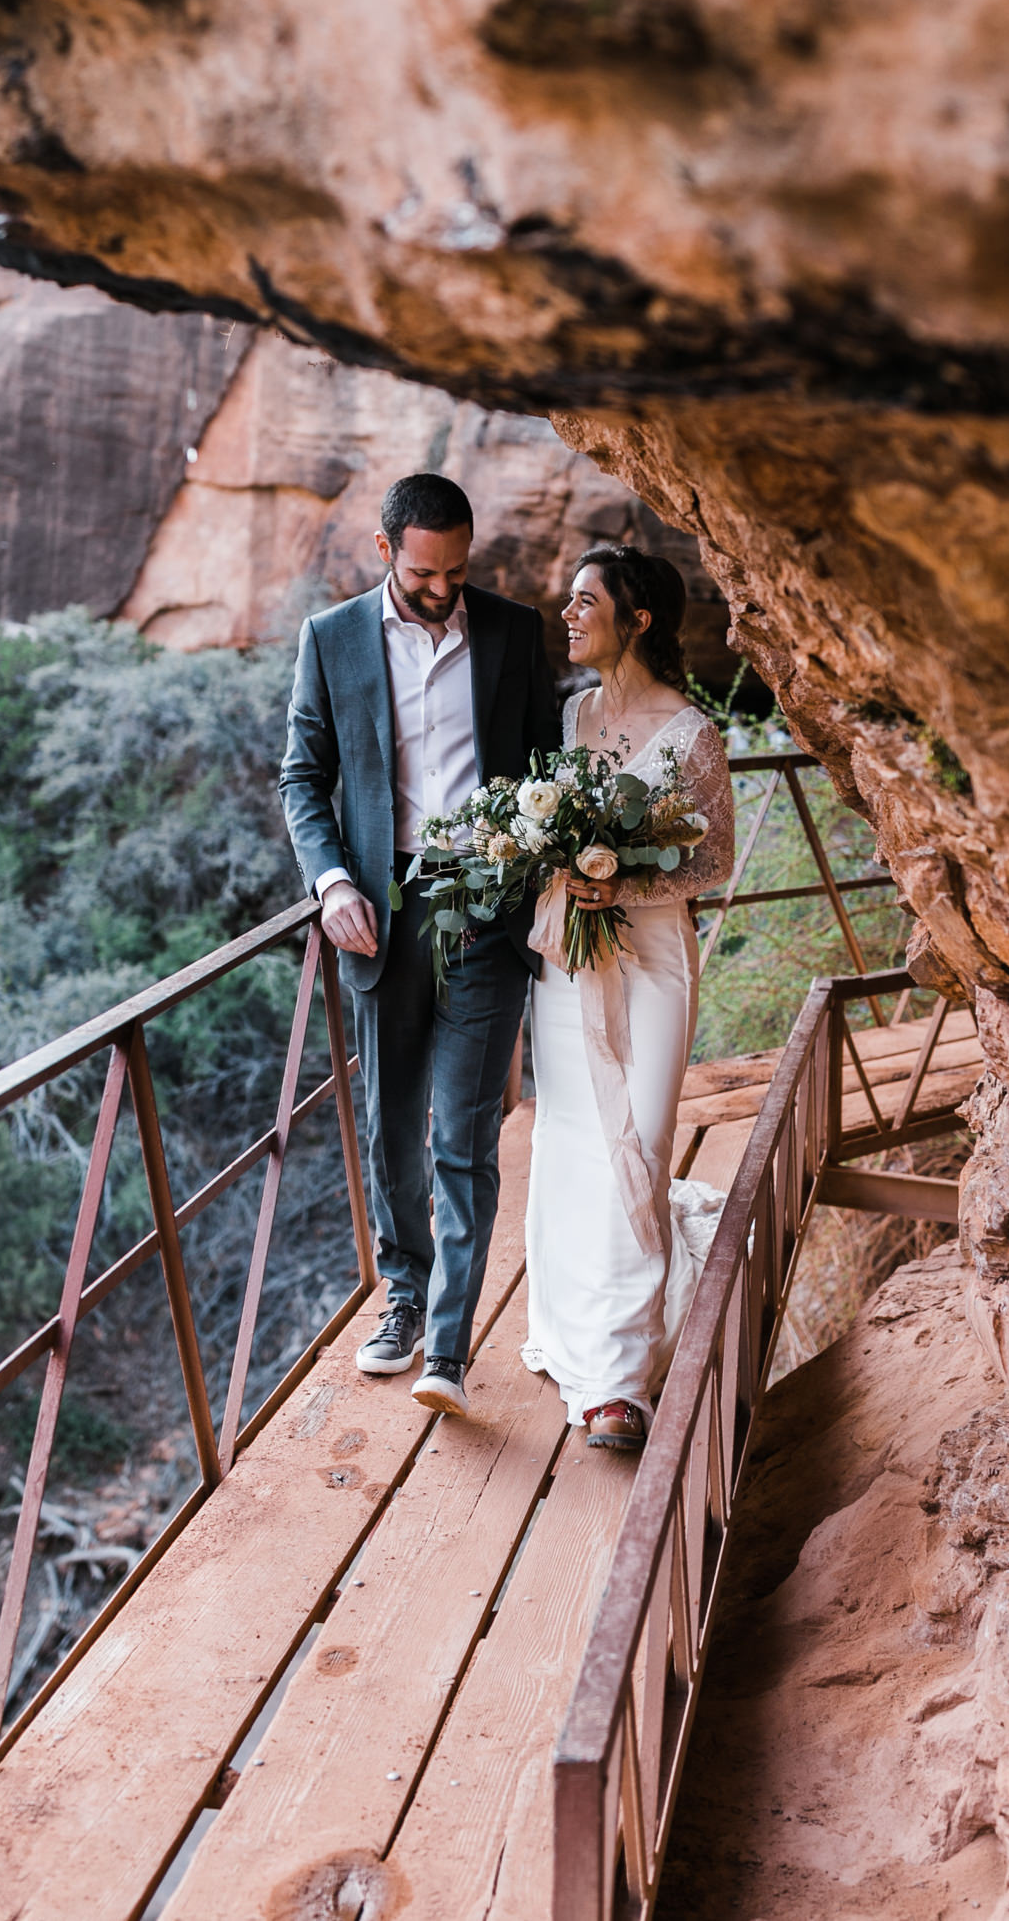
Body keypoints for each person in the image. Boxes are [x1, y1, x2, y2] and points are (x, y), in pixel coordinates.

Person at [279, 473, 562, 1418]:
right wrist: (330, 884)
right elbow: (301, 778)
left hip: (487, 907)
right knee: (392, 1120)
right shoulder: (332, 640)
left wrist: (534, 868)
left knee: (464, 1129)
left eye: (458, 569)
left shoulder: (516, 632)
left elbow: (544, 764)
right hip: (382, 908)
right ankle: (401, 1299)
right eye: (426, 571)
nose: (445, 589)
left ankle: (447, 1344)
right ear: (384, 548)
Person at [523, 546, 735, 1450]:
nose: (568, 615)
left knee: (637, 1138)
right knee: (573, 1137)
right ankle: (588, 1345)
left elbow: (714, 861)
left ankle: (620, 1374)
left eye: (585, 602)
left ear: (637, 618)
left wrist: (627, 887)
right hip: (569, 965)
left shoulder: (690, 733)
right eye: (568, 602)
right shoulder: (570, 716)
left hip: (650, 962)